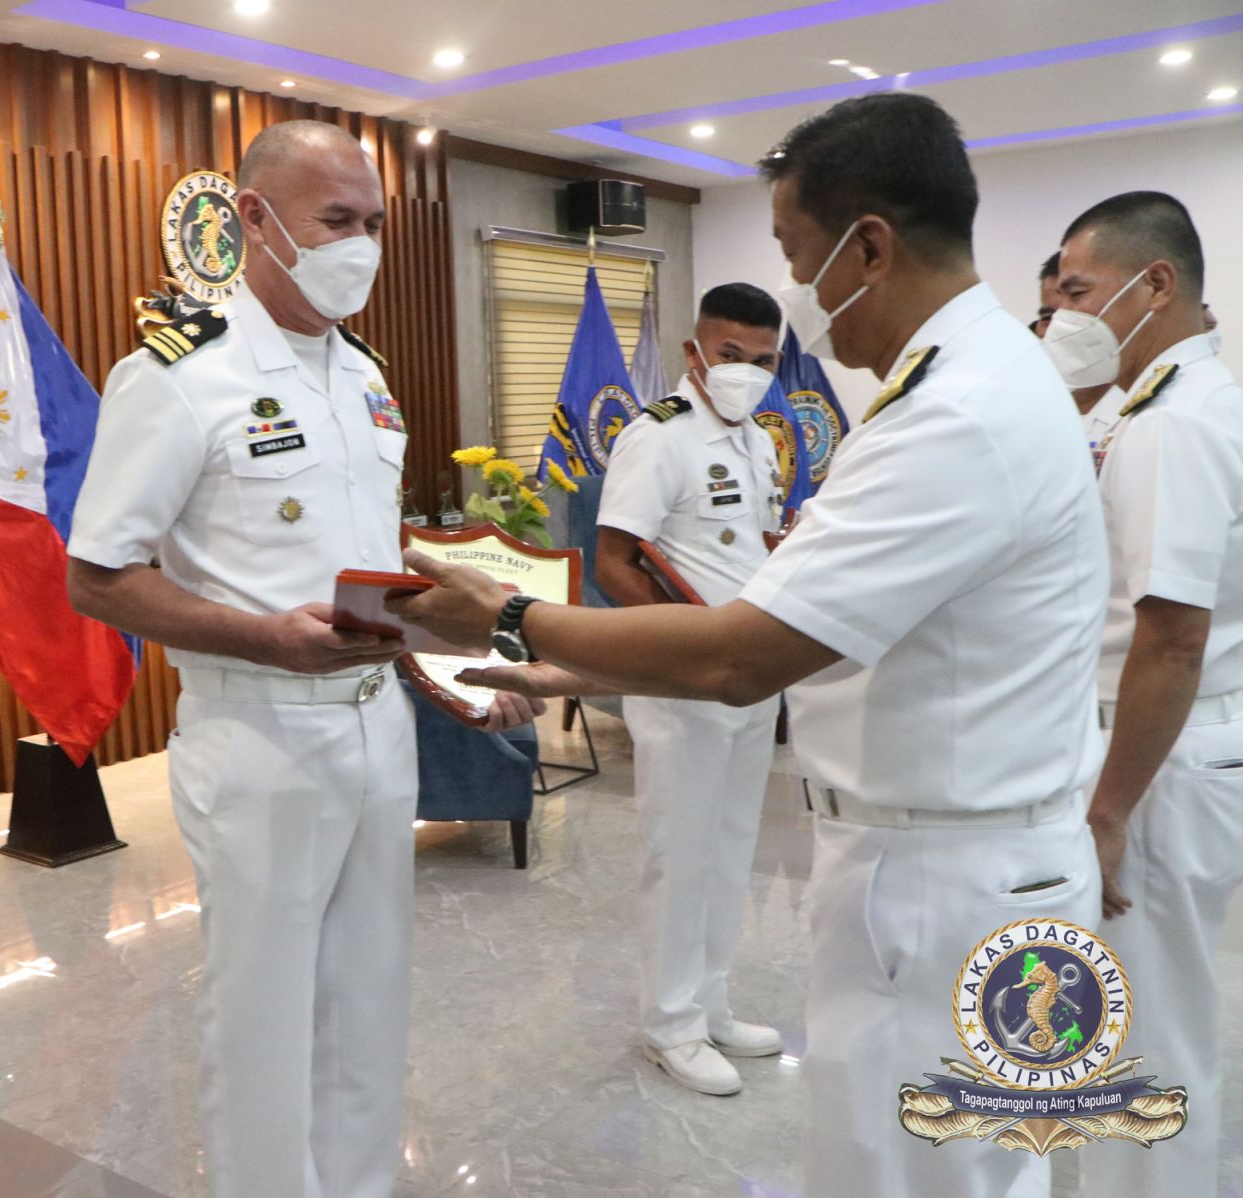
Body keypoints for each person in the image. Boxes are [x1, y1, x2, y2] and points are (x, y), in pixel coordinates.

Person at [390, 92, 1107, 1198]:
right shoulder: (980, 382)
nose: (795, 292)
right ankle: (679, 1010)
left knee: (913, 1174)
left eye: (794, 251)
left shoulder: (951, 413)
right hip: (964, 854)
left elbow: (745, 653)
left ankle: (700, 1003)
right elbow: (792, 612)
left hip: (945, 882)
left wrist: (505, 611)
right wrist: (574, 664)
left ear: (868, 246)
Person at [67, 120, 535, 1198]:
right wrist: (264, 638)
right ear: (253, 219)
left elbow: (371, 564)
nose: (361, 246)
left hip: (377, 723)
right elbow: (96, 577)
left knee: (370, 994)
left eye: (373, 224)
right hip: (258, 732)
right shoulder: (178, 375)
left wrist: (465, 665)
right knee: (263, 1014)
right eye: (336, 221)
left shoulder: (363, 374)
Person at [1048, 192, 1243, 1198]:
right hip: (1170, 744)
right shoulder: (1179, 402)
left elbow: (1171, 637)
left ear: (1153, 284)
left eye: (1079, 291)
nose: (1064, 315)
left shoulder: (1172, 424)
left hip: (1154, 759)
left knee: (1146, 1041)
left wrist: (1108, 809)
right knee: (1137, 1025)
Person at [597, 282, 786, 1096]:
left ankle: (710, 1002)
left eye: (763, 359)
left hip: (749, 676)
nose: (745, 371)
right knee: (678, 853)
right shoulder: (659, 436)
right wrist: (679, 648)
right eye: (730, 354)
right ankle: (668, 1023)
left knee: (729, 846)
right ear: (695, 353)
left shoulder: (759, 442)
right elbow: (613, 562)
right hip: (682, 683)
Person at [1036, 251, 1122, 444]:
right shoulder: (1032, 409)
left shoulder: (1142, 414)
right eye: (1047, 317)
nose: (1059, 328)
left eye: (1076, 296)